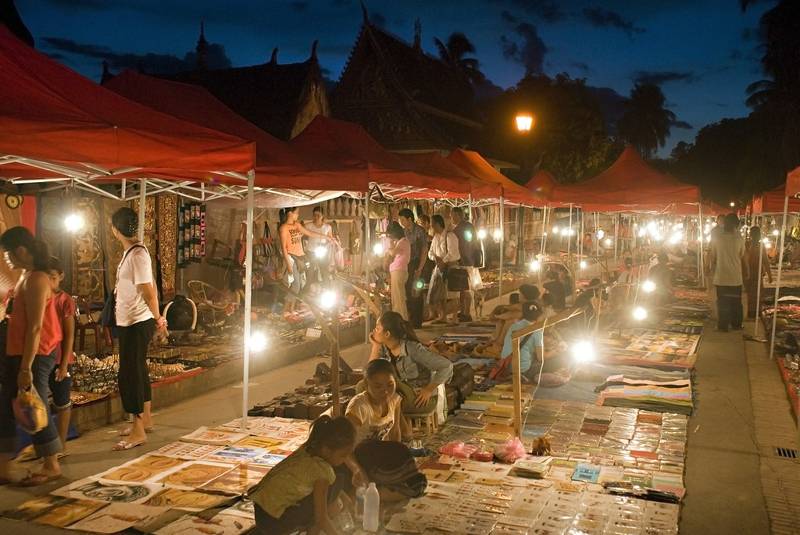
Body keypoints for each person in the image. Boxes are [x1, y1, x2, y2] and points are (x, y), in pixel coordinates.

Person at [0, 227, 63, 485]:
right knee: (6, 407)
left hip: (36, 354)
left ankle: (51, 464)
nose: (5, 259)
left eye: (7, 253)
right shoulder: (26, 276)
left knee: (34, 405)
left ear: (21, 251)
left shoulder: (37, 279)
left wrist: (26, 367)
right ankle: (3, 465)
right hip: (20, 352)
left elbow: (36, 326)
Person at [111, 207, 167, 450]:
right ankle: (145, 419)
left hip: (137, 321)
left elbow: (148, 290)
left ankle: (137, 431)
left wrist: (159, 319)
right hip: (130, 320)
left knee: (130, 374)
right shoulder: (132, 252)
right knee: (138, 370)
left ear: (115, 230)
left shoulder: (137, 255)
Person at [250, 416, 357, 535]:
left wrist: (343, 495)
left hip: (261, 514)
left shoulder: (307, 449)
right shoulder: (323, 471)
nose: (344, 460)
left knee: (335, 485)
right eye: (343, 455)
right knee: (332, 487)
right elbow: (321, 519)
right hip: (274, 522)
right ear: (326, 450)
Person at [368, 311, 453, 421]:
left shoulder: (412, 349)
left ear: (387, 334)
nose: (374, 331)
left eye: (378, 328)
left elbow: (447, 366)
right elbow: (369, 373)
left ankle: (393, 427)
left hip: (419, 398)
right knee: (365, 385)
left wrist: (428, 390)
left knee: (389, 388)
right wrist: (375, 346)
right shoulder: (384, 348)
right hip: (402, 395)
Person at [279, 207, 337, 314]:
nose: (298, 215)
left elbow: (310, 233)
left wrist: (327, 237)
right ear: (290, 213)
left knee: (300, 284)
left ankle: (291, 309)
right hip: (292, 258)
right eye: (296, 213)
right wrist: (288, 264)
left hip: (301, 257)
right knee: (295, 285)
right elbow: (283, 248)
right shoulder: (284, 228)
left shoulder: (297, 225)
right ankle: (285, 310)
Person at [47, 257, 76, 454]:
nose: (50, 282)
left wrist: (64, 364)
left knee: (62, 401)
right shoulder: (38, 297)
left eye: (53, 277)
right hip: (41, 357)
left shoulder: (65, 300)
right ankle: (47, 445)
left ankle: (61, 445)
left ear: (61, 277)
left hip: (59, 359)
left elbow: (69, 334)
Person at [346, 359, 402, 443]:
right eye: (378, 386)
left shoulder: (394, 400)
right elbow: (348, 443)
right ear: (366, 385)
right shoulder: (358, 407)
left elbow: (395, 431)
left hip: (381, 450)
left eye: (390, 385)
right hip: (361, 453)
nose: (386, 391)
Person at [709, 213, 748, 331]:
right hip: (735, 277)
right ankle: (736, 325)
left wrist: (711, 268)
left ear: (724, 224)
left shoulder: (717, 239)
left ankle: (723, 326)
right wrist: (747, 270)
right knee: (736, 302)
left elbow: (713, 256)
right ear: (736, 225)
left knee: (722, 302)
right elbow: (742, 255)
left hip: (721, 276)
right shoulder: (739, 239)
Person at [427, 215, 460, 324]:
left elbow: (453, 253)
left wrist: (443, 261)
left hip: (450, 266)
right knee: (439, 293)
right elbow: (430, 252)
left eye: (432, 224)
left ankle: (455, 317)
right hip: (439, 267)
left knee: (452, 293)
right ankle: (443, 316)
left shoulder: (450, 236)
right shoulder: (435, 237)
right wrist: (436, 258)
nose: (431, 227)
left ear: (437, 224)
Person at [398, 209, 429, 328]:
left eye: (402, 220)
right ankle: (410, 319)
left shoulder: (419, 231)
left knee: (416, 291)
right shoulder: (404, 231)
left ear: (409, 219)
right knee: (407, 292)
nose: (401, 222)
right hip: (407, 264)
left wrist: (420, 268)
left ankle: (417, 321)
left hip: (417, 263)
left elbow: (424, 250)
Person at [450, 207, 478, 322]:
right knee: (464, 289)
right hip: (468, 260)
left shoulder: (460, 229)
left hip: (464, 261)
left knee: (465, 289)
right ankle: (464, 312)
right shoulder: (468, 226)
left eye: (452, 215)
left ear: (457, 215)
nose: (451, 218)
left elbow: (464, 246)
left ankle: (466, 313)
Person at [745, 226, 772, 318]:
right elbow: (766, 261)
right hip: (751, 272)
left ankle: (752, 311)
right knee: (754, 293)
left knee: (752, 293)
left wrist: (769, 274)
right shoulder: (748, 245)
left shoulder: (751, 245)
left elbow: (765, 261)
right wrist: (769, 275)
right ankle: (753, 311)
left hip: (753, 272)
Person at [386, 222, 410, 320]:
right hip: (399, 271)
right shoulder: (402, 242)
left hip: (399, 271)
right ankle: (402, 320)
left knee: (398, 300)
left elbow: (392, 253)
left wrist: (390, 244)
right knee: (398, 298)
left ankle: (401, 321)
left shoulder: (403, 242)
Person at [306, 206, 334, 285]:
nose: (316, 217)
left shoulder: (327, 227)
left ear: (322, 216)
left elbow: (330, 240)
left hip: (322, 252)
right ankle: (307, 289)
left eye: (318, 215)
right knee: (310, 272)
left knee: (324, 271)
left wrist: (325, 245)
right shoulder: (308, 226)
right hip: (311, 252)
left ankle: (327, 289)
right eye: (314, 215)